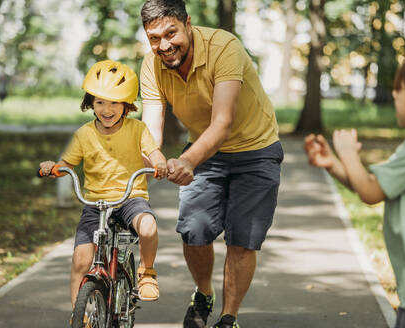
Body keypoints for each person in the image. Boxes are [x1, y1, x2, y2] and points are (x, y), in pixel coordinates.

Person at [139, 1, 283, 327]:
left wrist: (187, 160)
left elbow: (222, 123)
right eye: (154, 38)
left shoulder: (224, 48)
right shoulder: (151, 65)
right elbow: (150, 129)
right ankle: (204, 293)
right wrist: (152, 159)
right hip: (206, 153)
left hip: (256, 150)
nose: (164, 45)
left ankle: (228, 317)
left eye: (170, 33)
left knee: (242, 241)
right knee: (194, 230)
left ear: (188, 24)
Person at [304, 49, 405, 328]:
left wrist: (348, 153)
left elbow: (369, 193)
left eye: (399, 90)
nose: (395, 96)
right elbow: (378, 187)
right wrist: (334, 165)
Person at [39, 60, 167, 308]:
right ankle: (81, 316)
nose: (107, 109)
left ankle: (147, 272)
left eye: (115, 102)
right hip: (96, 203)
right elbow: (67, 164)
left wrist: (159, 162)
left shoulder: (137, 129)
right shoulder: (84, 134)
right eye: (100, 102)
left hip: (131, 198)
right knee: (80, 261)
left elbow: (153, 152)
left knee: (149, 228)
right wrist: (53, 168)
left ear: (127, 105)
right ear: (90, 102)